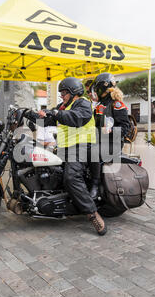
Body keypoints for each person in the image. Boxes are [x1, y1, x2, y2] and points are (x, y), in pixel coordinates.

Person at [32, 77, 107, 236]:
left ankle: (92, 214)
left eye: (64, 93)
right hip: (66, 148)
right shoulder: (63, 106)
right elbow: (49, 119)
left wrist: (55, 112)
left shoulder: (84, 104)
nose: (62, 96)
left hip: (83, 146)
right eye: (61, 93)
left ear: (73, 92)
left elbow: (76, 118)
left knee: (71, 177)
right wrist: (32, 115)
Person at [88, 73, 131, 200]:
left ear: (102, 87)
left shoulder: (117, 104)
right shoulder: (100, 104)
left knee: (93, 152)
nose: (95, 91)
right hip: (99, 141)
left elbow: (125, 128)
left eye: (96, 88)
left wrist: (110, 130)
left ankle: (95, 185)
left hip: (113, 143)